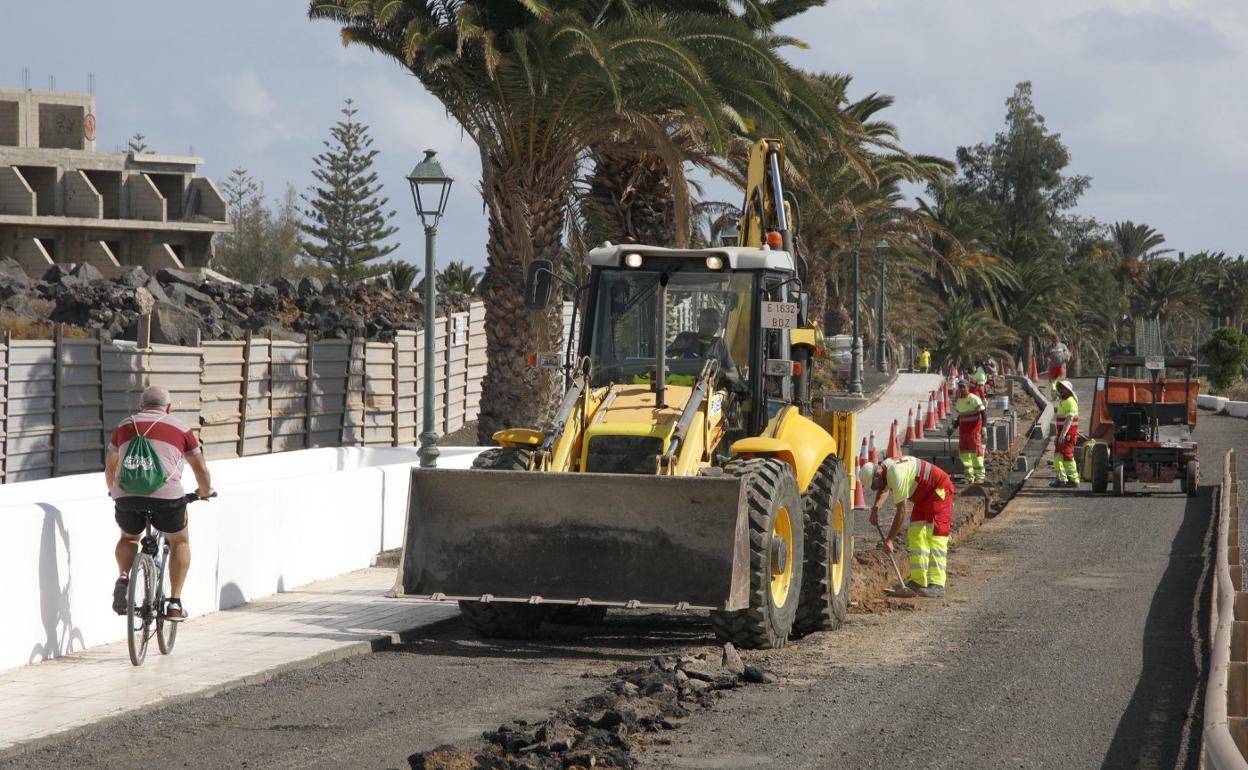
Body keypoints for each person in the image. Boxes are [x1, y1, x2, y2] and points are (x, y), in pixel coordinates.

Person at [106, 385, 213, 621]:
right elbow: (200, 469)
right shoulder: (181, 428)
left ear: (141, 406)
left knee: (129, 538)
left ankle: (123, 577)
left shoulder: (124, 426)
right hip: (168, 498)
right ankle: (174, 603)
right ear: (169, 407)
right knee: (180, 541)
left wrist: (114, 492)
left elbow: (110, 467)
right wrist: (205, 491)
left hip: (127, 496)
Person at [863, 456, 956, 598]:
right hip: (922, 498)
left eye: (874, 485)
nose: (875, 489)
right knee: (915, 533)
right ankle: (919, 580)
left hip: (938, 491)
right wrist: (875, 508)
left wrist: (890, 539)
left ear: (877, 475)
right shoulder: (884, 469)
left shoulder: (896, 473)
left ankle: (937, 584)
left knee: (936, 536)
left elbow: (901, 511)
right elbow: (883, 489)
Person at [669, 306, 738, 377]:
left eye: (715, 322)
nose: (711, 325)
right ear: (698, 322)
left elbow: (735, 375)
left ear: (718, 326)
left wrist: (715, 370)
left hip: (709, 383)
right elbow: (666, 360)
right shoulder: (685, 338)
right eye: (707, 320)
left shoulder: (720, 344)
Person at [950, 379, 986, 483]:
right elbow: (960, 417)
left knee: (976, 453)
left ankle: (980, 476)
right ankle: (969, 477)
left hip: (974, 431)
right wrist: (953, 428)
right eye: (960, 387)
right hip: (963, 432)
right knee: (964, 455)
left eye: (963, 387)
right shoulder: (959, 401)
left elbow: (983, 413)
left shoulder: (974, 399)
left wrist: (984, 427)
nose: (962, 389)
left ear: (968, 387)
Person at [1052, 379, 1080, 489]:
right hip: (1063, 434)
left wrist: (1063, 435)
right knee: (1058, 456)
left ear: (1068, 390)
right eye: (1060, 388)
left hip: (1068, 435)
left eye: (1063, 388)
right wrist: (1059, 435)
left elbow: (1069, 419)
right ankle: (1062, 479)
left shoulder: (1070, 402)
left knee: (1067, 456)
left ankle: (1074, 480)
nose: (1061, 390)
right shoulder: (1064, 402)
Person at [1047, 335, 1071, 400]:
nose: (1055, 341)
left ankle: (1059, 393)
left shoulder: (1063, 346)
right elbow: (1046, 355)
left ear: (1058, 340)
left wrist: (1067, 358)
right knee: (1053, 381)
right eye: (1053, 340)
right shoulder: (1049, 347)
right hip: (1052, 367)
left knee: (1060, 380)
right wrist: (1048, 359)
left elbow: (1068, 354)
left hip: (1061, 366)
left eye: (1056, 340)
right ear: (1052, 340)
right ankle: (1054, 395)